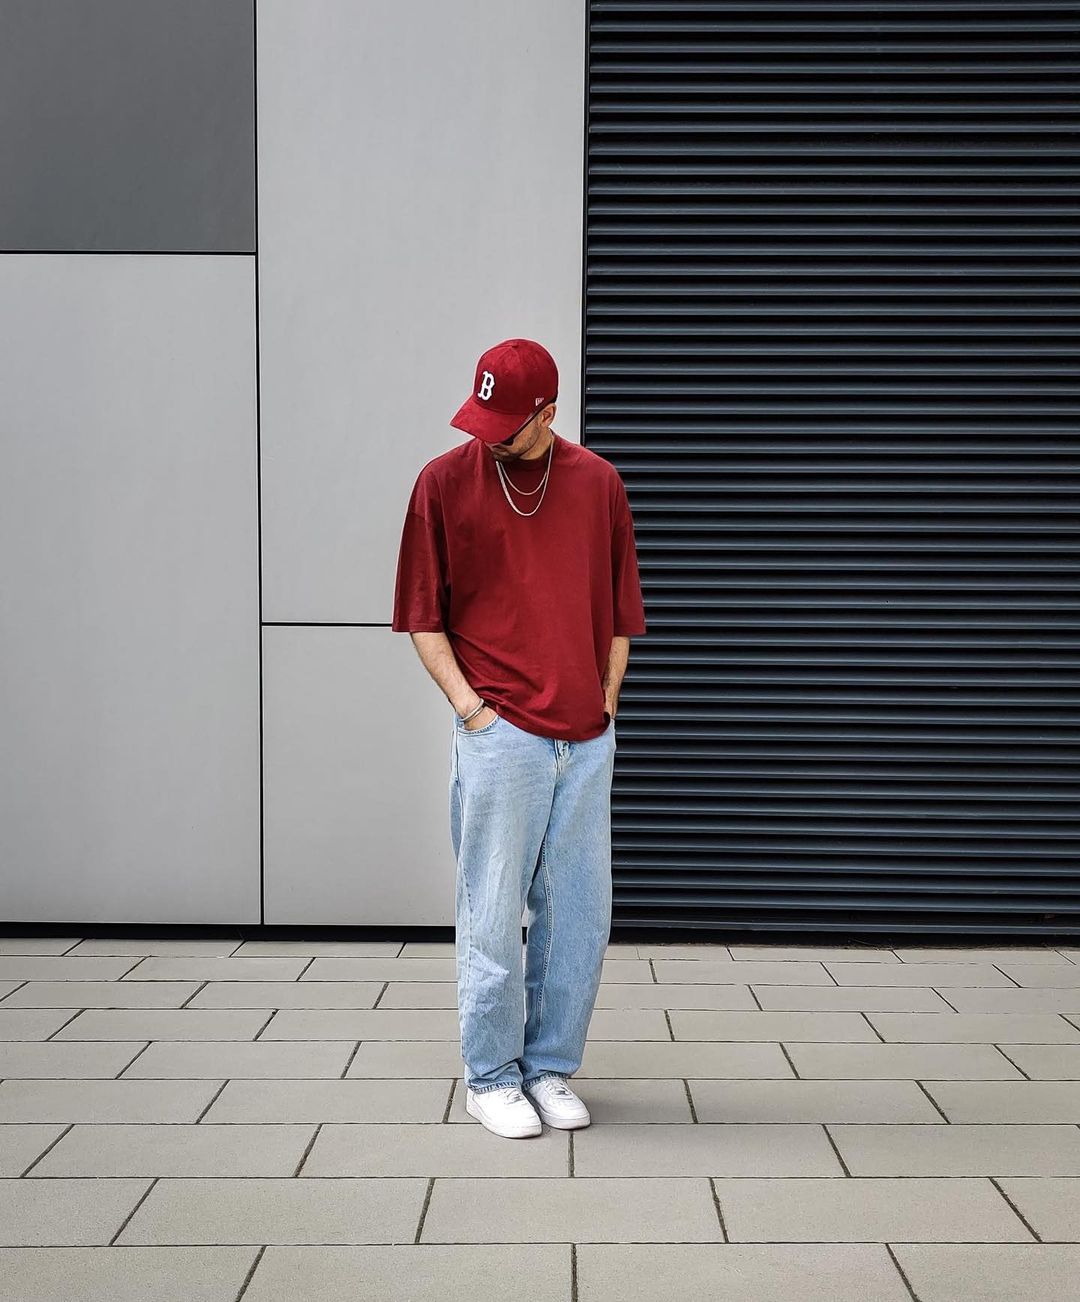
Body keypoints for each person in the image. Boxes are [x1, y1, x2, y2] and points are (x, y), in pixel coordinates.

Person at [391, 337, 647, 1139]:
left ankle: (549, 1068)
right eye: (483, 420)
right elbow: (422, 616)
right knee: (493, 913)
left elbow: (622, 608)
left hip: (584, 739)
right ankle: (492, 1077)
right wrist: (473, 711)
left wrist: (607, 701)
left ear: (549, 413)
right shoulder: (443, 483)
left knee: (579, 919)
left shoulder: (597, 485)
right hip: (501, 734)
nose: (491, 437)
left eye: (508, 425)